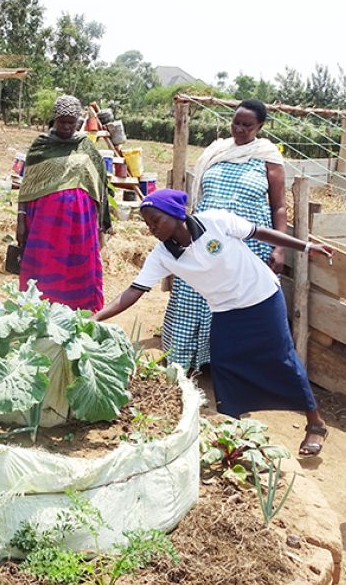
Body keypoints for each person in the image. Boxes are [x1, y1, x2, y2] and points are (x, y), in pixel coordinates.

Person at [94, 189, 331, 457]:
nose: (152, 229)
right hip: (226, 310)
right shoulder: (163, 255)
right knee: (225, 366)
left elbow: (260, 233)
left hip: (262, 296)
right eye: (148, 224)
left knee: (282, 359)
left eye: (156, 220)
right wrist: (96, 318)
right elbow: (133, 291)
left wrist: (307, 246)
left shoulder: (216, 221)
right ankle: (236, 434)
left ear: (177, 213)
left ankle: (315, 423)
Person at [162, 99, 285, 373]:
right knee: (195, 295)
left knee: (237, 302)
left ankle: (231, 366)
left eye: (247, 125)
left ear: (260, 127)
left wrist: (279, 248)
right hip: (205, 240)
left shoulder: (268, 157)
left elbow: (279, 206)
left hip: (247, 244)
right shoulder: (217, 151)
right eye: (236, 122)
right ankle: (186, 360)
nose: (239, 129)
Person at [16, 94, 111, 311]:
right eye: (62, 121)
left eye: (71, 122)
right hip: (44, 225)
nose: (67, 126)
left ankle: (81, 313)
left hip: (80, 225)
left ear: (78, 121)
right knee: (44, 269)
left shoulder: (86, 147)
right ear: (54, 120)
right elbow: (27, 186)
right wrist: (21, 220)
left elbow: (100, 184)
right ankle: (38, 313)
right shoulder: (41, 147)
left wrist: (100, 226)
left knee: (79, 268)